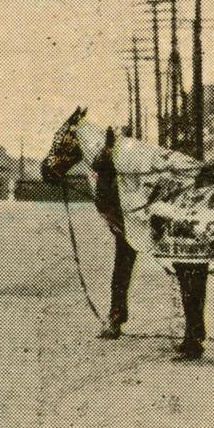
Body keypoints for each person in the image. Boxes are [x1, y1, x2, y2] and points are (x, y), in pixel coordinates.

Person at [90, 127, 135, 341]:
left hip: (128, 221)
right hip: (123, 220)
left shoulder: (115, 159)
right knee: (121, 272)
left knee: (121, 271)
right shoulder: (113, 158)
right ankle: (116, 317)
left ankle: (116, 318)